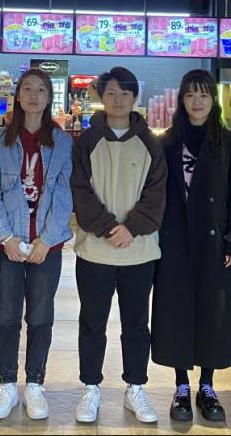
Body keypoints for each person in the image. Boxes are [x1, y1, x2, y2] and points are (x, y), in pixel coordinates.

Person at [71, 66, 167, 425]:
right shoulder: (87, 141)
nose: (118, 100)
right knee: (92, 322)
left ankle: (135, 387)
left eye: (125, 93)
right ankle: (90, 387)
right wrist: (111, 227)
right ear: (101, 96)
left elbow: (157, 193)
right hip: (95, 251)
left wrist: (132, 228)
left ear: (134, 98)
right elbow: (80, 190)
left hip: (139, 251)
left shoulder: (151, 142)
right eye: (110, 93)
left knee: (137, 324)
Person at [151, 69, 231, 423]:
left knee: (213, 311)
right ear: (181, 100)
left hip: (215, 242)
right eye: (190, 94)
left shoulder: (229, 143)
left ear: (213, 100)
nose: (197, 101)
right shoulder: (167, 142)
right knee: (175, 310)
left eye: (204, 94)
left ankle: (207, 384)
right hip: (174, 239)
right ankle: (181, 385)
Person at [0, 69, 74, 420]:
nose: (33, 95)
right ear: (18, 95)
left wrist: (46, 239)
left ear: (49, 97)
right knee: (6, 315)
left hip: (46, 248)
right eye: (27, 89)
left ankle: (35, 383)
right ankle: (7, 382)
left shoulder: (62, 143)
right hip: (6, 246)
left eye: (40, 89)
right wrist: (6, 237)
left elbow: (65, 196)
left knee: (40, 315)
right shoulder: (0, 142)